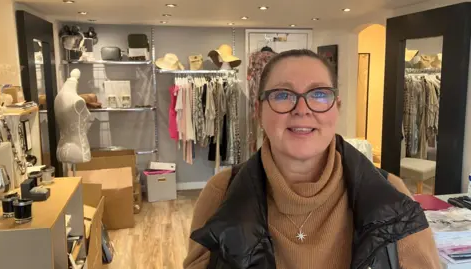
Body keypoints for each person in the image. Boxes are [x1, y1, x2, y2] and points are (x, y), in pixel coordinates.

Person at [183, 49, 440, 269]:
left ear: (336, 107)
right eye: (283, 95)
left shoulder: (390, 194)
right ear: (259, 111)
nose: (302, 110)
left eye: (318, 94)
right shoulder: (221, 193)